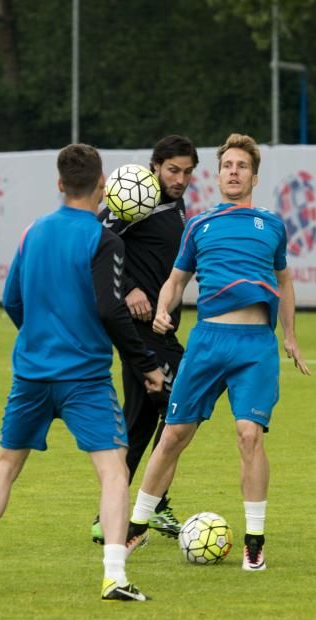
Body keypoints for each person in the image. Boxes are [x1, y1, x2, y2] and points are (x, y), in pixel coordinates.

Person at [0, 143, 165, 602]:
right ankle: (114, 577)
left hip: (31, 373)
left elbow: (11, 300)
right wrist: (146, 365)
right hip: (83, 376)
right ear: (103, 185)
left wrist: (39, 337)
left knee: (6, 463)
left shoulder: (33, 232)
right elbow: (110, 308)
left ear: (60, 184)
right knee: (113, 471)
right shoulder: (103, 239)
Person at [125, 133, 311, 571]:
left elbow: (284, 281)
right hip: (208, 342)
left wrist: (290, 335)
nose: (233, 171)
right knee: (172, 436)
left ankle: (254, 541)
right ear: (218, 174)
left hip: (254, 347)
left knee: (249, 435)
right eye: (227, 165)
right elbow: (176, 278)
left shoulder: (272, 225)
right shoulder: (199, 225)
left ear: (254, 176)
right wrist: (164, 308)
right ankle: (136, 526)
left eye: (241, 166)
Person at [90, 135, 199, 546]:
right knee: (178, 411)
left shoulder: (176, 205)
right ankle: (139, 507)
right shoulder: (136, 199)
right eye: (173, 170)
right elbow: (96, 244)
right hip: (143, 334)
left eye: (188, 171)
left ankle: (124, 511)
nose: (181, 178)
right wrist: (130, 288)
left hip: (163, 329)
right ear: (155, 166)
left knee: (142, 421)